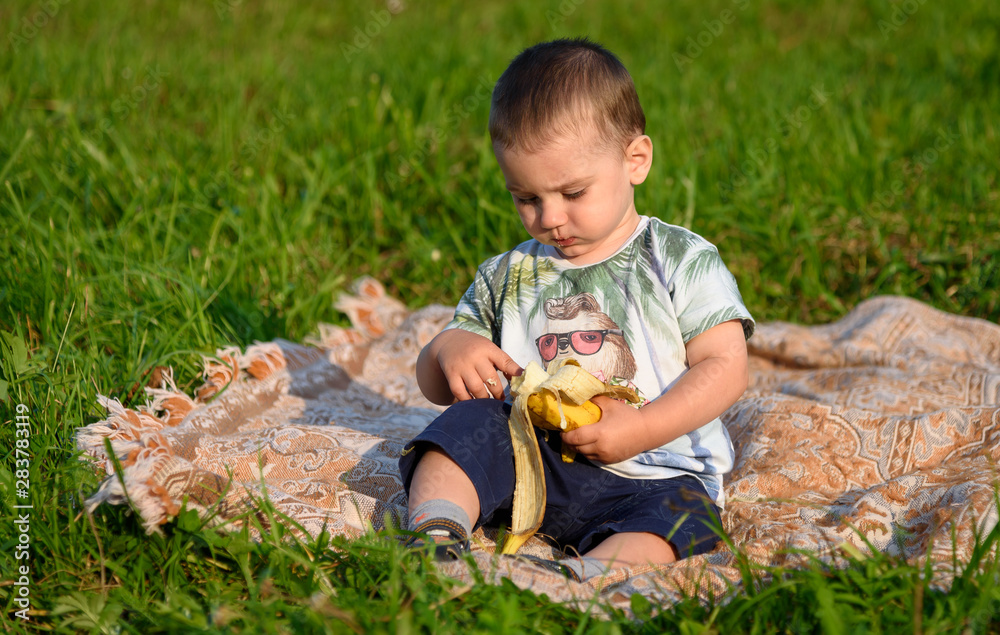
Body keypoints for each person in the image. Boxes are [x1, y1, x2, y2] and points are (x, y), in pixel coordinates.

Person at [398, 37, 754, 581]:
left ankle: (582, 579)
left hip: (655, 471)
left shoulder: (679, 258)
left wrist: (643, 427)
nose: (549, 218)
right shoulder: (508, 274)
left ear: (635, 160)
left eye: (573, 193)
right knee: (458, 431)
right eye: (527, 198)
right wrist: (448, 348)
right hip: (532, 459)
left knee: (683, 521)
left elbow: (726, 366)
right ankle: (436, 535)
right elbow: (438, 387)